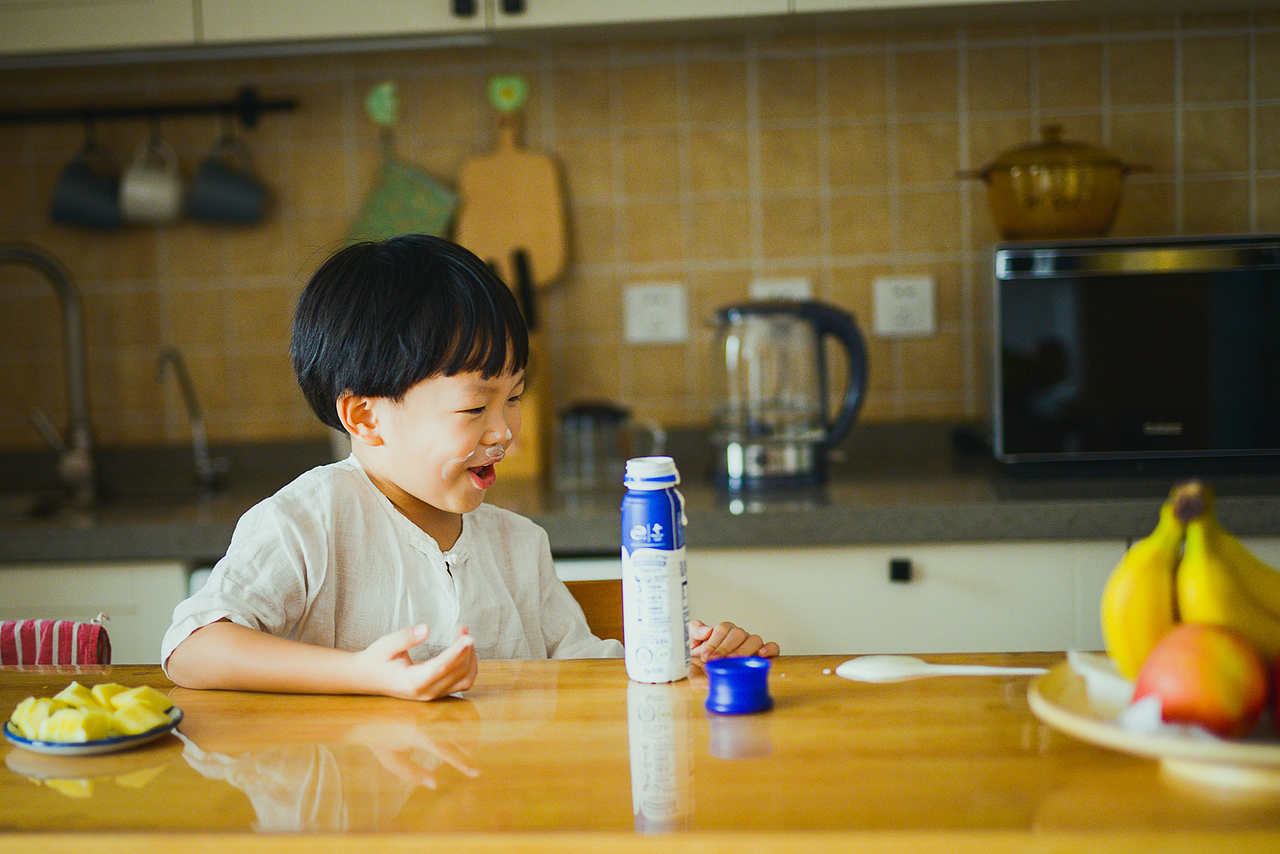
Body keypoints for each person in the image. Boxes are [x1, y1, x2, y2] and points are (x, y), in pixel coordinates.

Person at [162, 234, 777, 701]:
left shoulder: (519, 546)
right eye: (475, 406)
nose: (505, 430)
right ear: (367, 417)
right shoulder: (310, 522)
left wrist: (678, 660)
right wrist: (360, 674)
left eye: (513, 397)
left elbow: (583, 677)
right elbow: (191, 649)